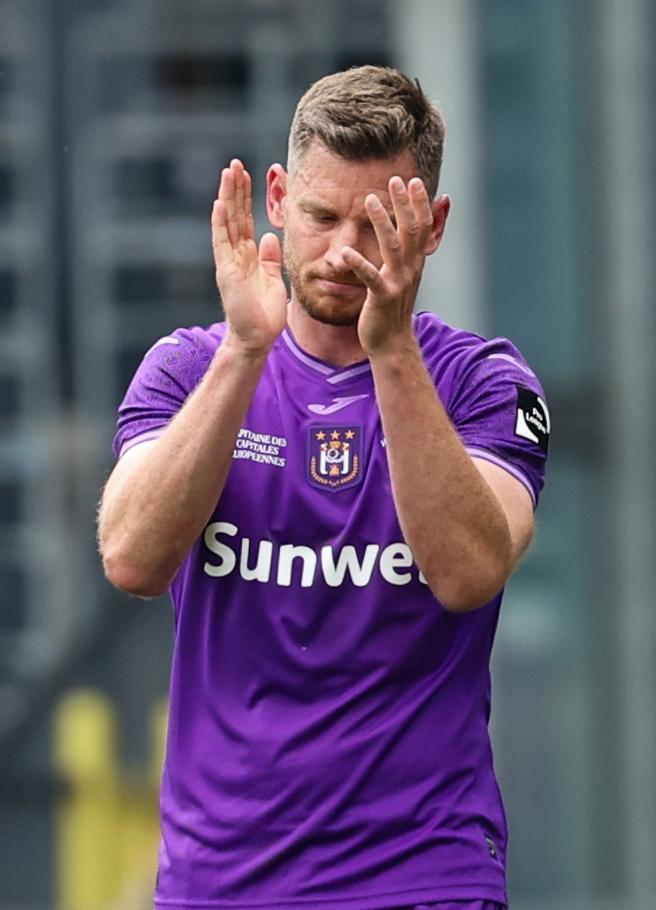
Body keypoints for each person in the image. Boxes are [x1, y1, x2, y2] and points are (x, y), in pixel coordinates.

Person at [98, 65, 549, 910]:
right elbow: (130, 557)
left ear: (434, 224)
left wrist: (392, 353)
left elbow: (467, 571)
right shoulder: (189, 367)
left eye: (378, 223)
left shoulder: (485, 383)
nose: (345, 250)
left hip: (423, 873)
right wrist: (244, 352)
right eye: (321, 215)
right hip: (220, 879)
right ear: (276, 198)